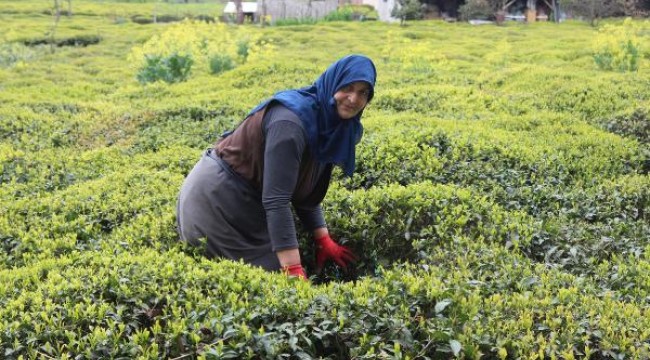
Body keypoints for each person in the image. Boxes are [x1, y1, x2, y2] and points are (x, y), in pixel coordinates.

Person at [176, 54, 377, 280]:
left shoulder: (330, 124)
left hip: (249, 202)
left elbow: (302, 184)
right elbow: (277, 199)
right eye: (347, 87)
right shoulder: (290, 123)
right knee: (272, 280)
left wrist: (323, 238)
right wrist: (293, 271)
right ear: (333, 83)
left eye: (363, 93)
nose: (353, 99)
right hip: (216, 203)